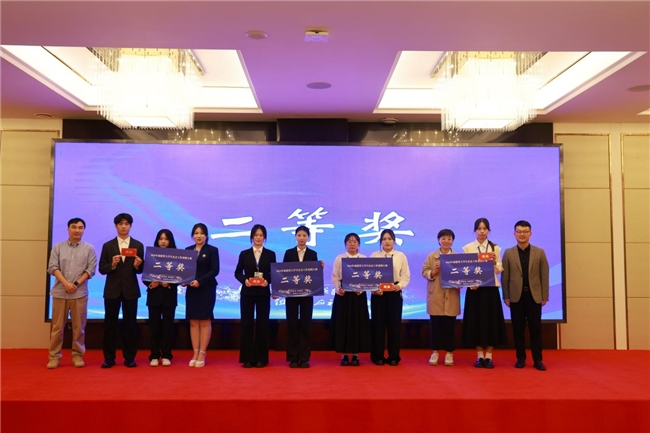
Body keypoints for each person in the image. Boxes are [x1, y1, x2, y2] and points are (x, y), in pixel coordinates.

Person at [46, 217, 97, 369]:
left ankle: (77, 355)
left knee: (79, 327)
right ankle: (54, 357)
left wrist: (75, 284)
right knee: (57, 328)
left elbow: (90, 270)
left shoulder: (89, 248)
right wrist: (66, 284)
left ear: (84, 230)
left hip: (79, 294)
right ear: (68, 229)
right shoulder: (58, 247)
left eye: (80, 227)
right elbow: (52, 267)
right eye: (74, 227)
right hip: (60, 293)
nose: (77, 230)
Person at [502, 220, 550, 371]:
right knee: (518, 329)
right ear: (514, 234)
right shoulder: (508, 253)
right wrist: (506, 296)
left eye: (525, 231)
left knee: (536, 329)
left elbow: (544, 275)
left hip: (534, 296)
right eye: (519, 231)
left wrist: (544, 295)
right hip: (516, 297)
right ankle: (520, 358)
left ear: (530, 233)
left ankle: (538, 360)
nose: (522, 234)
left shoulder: (539, 252)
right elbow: (505, 277)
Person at [98, 213, 144, 368]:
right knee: (110, 324)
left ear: (130, 226)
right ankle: (109, 358)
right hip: (112, 290)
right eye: (120, 224)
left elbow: (141, 270)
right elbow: (102, 269)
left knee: (130, 325)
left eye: (126, 224)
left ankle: (130, 357)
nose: (123, 226)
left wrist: (137, 265)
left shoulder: (138, 245)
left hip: (130, 290)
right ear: (115, 226)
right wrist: (112, 264)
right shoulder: (108, 245)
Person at [461, 218, 507, 369]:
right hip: (474, 290)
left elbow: (500, 269)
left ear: (488, 230)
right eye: (479, 229)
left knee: (491, 322)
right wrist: (470, 283)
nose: (482, 231)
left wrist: (494, 263)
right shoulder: (467, 248)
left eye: (484, 229)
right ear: (475, 230)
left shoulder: (495, 248)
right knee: (475, 322)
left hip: (491, 289)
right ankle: (479, 356)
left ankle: (489, 357)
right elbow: (465, 270)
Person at [235, 224, 277, 368]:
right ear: (252, 237)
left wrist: (267, 281)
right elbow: (237, 272)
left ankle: (261, 358)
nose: (258, 238)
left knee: (262, 324)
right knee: (246, 324)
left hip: (263, 293)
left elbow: (274, 273)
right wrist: (244, 280)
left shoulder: (270, 254)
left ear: (264, 237)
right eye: (256, 235)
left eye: (261, 235)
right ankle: (247, 358)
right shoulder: (244, 253)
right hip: (247, 292)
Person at [370, 229, 411, 366]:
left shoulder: (400, 256)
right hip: (379, 294)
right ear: (380, 241)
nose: (387, 241)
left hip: (394, 293)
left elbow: (405, 276)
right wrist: (375, 289)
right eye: (384, 239)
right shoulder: (374, 256)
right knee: (378, 326)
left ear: (394, 241)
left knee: (394, 326)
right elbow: (369, 276)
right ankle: (377, 356)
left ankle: (394, 356)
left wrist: (399, 286)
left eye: (389, 239)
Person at [283, 225, 322, 369]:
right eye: (299, 235)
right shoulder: (288, 253)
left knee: (305, 325)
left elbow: (314, 274)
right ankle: (293, 358)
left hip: (307, 294)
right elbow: (283, 273)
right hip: (291, 295)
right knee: (292, 324)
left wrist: (319, 267)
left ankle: (304, 358)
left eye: (304, 235)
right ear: (295, 237)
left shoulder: (312, 254)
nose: (301, 238)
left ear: (308, 237)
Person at [331, 233, 371, 366]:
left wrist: (362, 289)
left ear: (359, 244)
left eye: (355, 241)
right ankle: (344, 354)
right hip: (343, 295)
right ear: (345, 244)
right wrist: (338, 288)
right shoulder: (340, 258)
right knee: (343, 324)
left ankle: (355, 354)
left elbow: (367, 278)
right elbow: (335, 276)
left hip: (358, 296)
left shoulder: (363, 259)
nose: (352, 244)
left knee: (357, 324)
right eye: (349, 241)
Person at [422, 229, 460, 367]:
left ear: (453, 241)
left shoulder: (457, 257)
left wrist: (460, 283)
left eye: (449, 239)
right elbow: (424, 272)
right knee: (436, 326)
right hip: (436, 296)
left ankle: (449, 353)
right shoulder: (432, 256)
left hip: (451, 295)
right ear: (438, 240)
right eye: (443, 238)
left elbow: (463, 275)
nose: (446, 241)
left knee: (449, 326)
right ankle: (435, 352)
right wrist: (434, 272)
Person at [184, 223, 220, 368]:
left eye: (201, 233)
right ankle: (195, 352)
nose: (198, 236)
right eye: (196, 233)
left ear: (206, 235)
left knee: (205, 321)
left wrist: (200, 281)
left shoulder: (212, 250)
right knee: (193, 321)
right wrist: (183, 280)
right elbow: (184, 269)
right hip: (192, 290)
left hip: (206, 288)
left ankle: (202, 353)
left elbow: (214, 270)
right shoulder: (188, 250)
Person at [143, 229, 179, 367]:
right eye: (161, 239)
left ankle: (166, 355)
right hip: (154, 296)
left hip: (169, 296)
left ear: (170, 241)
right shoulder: (151, 256)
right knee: (154, 327)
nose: (163, 241)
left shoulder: (176, 257)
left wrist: (170, 283)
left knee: (168, 327)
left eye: (166, 239)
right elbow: (145, 276)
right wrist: (151, 284)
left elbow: (181, 275)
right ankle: (154, 355)